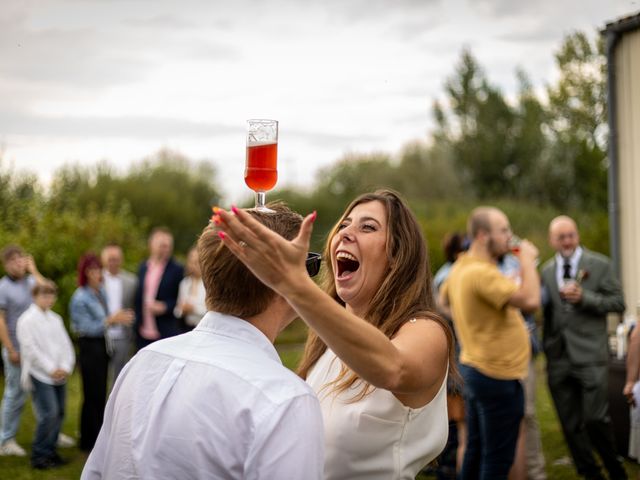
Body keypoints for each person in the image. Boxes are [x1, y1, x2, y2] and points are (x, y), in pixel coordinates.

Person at [214, 190, 455, 479]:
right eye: (343, 225)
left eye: (368, 227)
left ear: (396, 255)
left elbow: (394, 369)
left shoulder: (426, 330)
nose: (347, 234)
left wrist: (293, 283)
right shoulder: (326, 341)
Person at [82, 204, 324, 479]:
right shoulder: (285, 400)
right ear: (285, 280)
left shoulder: (142, 362)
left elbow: (96, 472)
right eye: (310, 265)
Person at [439, 206, 540, 480]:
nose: (510, 236)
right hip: (497, 375)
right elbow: (532, 300)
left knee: (476, 449)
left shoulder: (462, 267)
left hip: (476, 368)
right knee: (497, 460)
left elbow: (442, 300)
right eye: (504, 230)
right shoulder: (482, 274)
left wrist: (472, 316)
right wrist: (528, 260)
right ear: (483, 235)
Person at [541, 215, 627, 480]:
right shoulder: (545, 270)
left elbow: (618, 302)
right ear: (551, 240)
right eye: (561, 237)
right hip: (558, 358)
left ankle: (615, 470)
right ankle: (590, 473)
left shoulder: (599, 264)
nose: (567, 241)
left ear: (577, 235)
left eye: (571, 235)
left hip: (590, 355)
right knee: (570, 425)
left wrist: (585, 298)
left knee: (595, 419)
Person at [70, 253, 133, 452]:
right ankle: (87, 441)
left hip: (102, 347)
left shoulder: (101, 293)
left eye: (98, 269)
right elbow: (83, 327)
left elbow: (104, 321)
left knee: (100, 394)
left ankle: (98, 436)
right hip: (89, 347)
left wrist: (113, 319)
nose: (96, 274)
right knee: (91, 395)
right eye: (92, 270)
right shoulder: (80, 297)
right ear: (85, 273)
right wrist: (111, 320)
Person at [16, 280, 75, 469]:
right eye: (44, 295)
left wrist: (65, 366)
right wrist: (51, 369)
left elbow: (66, 344)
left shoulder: (55, 319)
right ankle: (39, 456)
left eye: (51, 295)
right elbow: (30, 350)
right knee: (49, 413)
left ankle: (51, 452)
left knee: (60, 413)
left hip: (60, 374)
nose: (48, 299)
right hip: (40, 374)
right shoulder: (26, 320)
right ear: (35, 296)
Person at [499, 254, 546, 480]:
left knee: (527, 414)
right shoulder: (478, 267)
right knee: (500, 416)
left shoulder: (517, 263)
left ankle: (536, 472)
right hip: (494, 354)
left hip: (522, 353)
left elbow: (539, 298)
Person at [0, 244, 45, 456]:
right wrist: (10, 349)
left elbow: (48, 291)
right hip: (15, 350)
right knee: (14, 395)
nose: (19, 263)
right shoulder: (3, 287)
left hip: (34, 350)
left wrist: (34, 270)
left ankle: (48, 431)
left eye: (21, 259)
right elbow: (0, 321)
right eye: (15, 260)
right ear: (6, 264)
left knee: (40, 393)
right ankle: (5, 440)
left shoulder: (30, 282)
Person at [432, 232, 468, 480]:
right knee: (457, 421)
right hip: (454, 358)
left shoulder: (446, 273)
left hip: (450, 358)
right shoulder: (450, 276)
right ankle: (448, 469)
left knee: (453, 420)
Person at [134, 227, 184, 349]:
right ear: (151, 244)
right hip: (142, 332)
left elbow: (180, 300)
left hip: (165, 332)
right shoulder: (143, 267)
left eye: (168, 245)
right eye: (162, 245)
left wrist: (165, 306)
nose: (166, 249)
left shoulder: (177, 269)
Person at [101, 243, 137, 385]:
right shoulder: (97, 281)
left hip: (123, 335)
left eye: (116, 259)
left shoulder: (131, 281)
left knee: (120, 376)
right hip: (102, 334)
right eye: (110, 259)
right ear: (103, 260)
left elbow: (134, 306)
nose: (113, 262)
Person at [174, 246, 206, 331]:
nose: (194, 266)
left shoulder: (209, 285)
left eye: (197, 262)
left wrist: (193, 309)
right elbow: (177, 310)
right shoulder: (185, 283)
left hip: (204, 329)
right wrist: (182, 310)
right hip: (186, 328)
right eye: (191, 262)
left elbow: (211, 311)